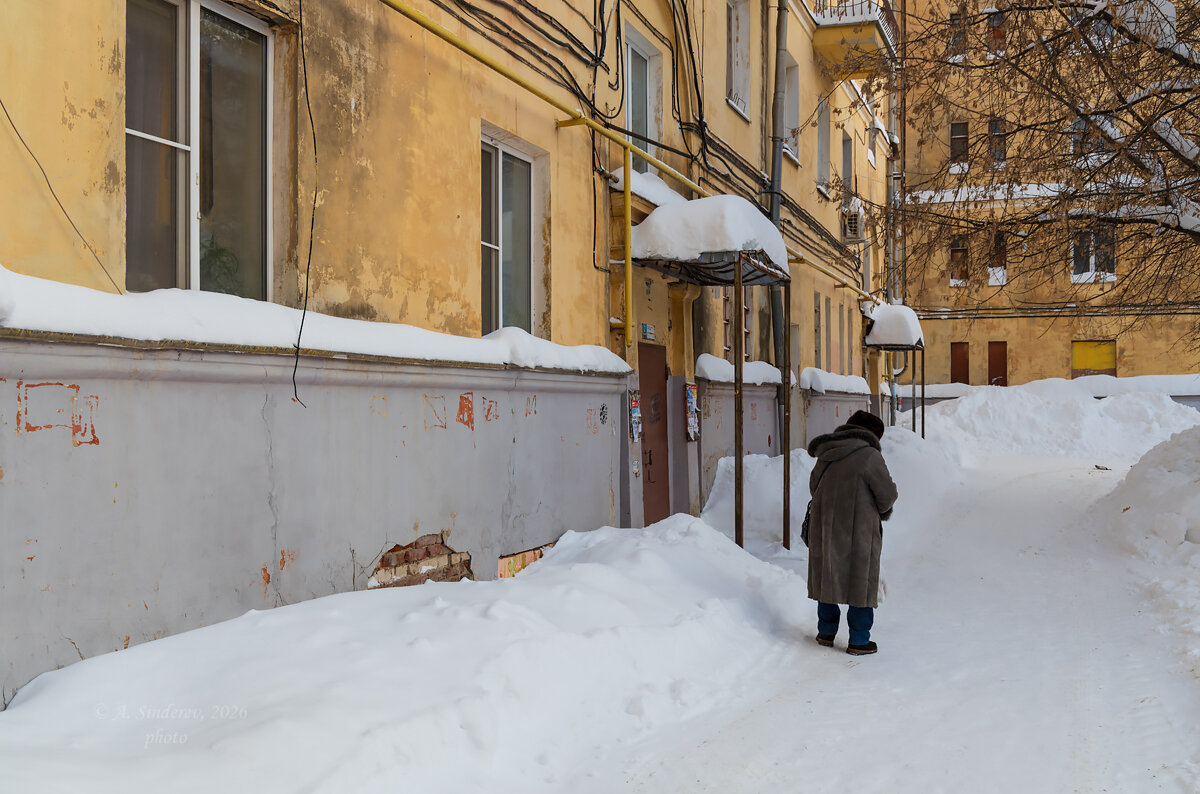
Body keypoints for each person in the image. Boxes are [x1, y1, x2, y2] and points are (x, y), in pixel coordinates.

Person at [806, 409, 898, 656]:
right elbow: (887, 495)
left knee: (828, 575)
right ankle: (858, 640)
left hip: (825, 525)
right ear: (873, 435)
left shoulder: (826, 454)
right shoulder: (869, 456)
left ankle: (826, 633)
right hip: (858, 529)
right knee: (860, 580)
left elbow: (814, 486)